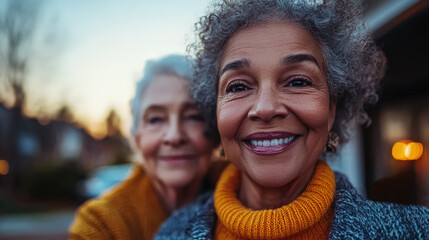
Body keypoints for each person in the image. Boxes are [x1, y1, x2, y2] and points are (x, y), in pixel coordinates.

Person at [155, 0, 429, 239]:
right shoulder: (170, 234)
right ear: (215, 112)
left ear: (332, 107)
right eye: (238, 87)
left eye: (298, 81)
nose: (265, 108)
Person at [69, 54, 226, 239]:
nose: (174, 136)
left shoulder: (245, 189)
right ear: (136, 138)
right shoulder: (100, 223)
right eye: (155, 119)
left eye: (193, 116)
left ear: (215, 133)